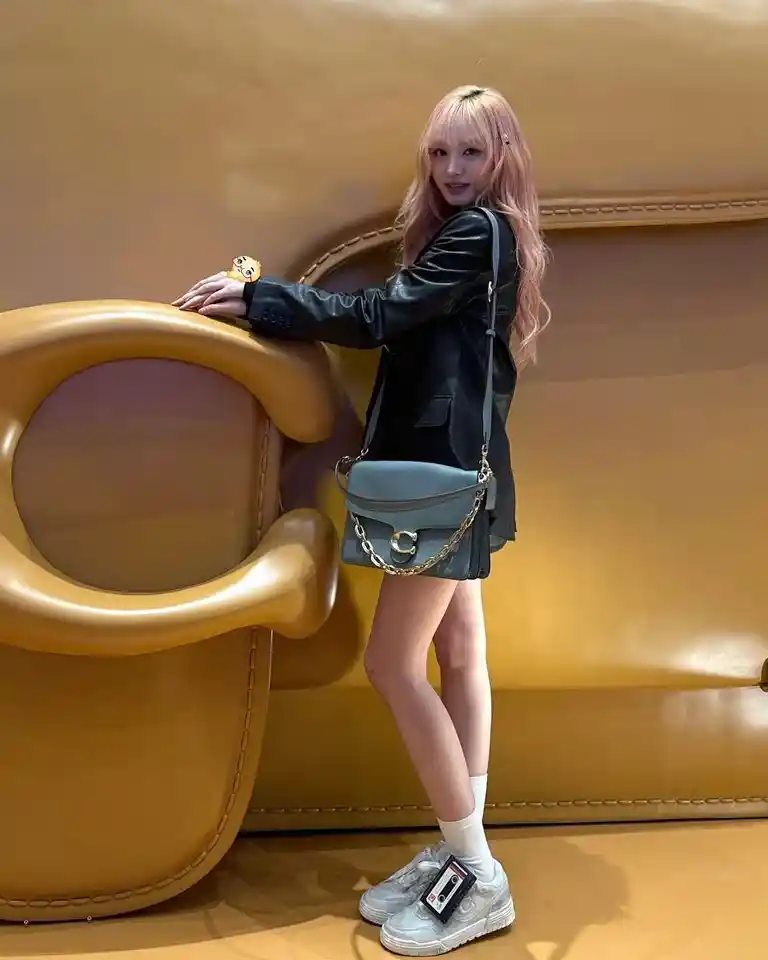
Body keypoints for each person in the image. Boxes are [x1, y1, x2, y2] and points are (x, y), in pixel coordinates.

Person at [173, 83, 549, 956]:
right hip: (455, 475)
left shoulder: (478, 232)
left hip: (442, 480)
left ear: (504, 157)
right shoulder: (484, 234)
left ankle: (476, 871)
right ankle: (462, 849)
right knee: (459, 655)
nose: (453, 169)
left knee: (392, 663)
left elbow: (377, 317)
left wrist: (261, 296)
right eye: (440, 153)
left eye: (472, 152)